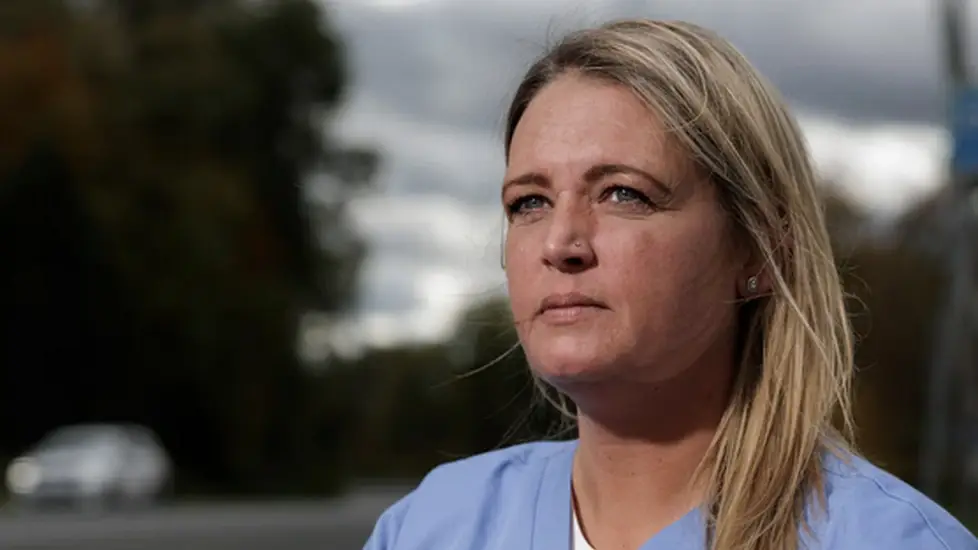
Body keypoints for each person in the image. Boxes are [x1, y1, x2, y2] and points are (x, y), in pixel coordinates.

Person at [363, 18, 978, 550]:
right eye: (529, 202)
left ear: (761, 247)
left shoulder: (888, 539)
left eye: (624, 193)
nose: (560, 243)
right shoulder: (432, 526)